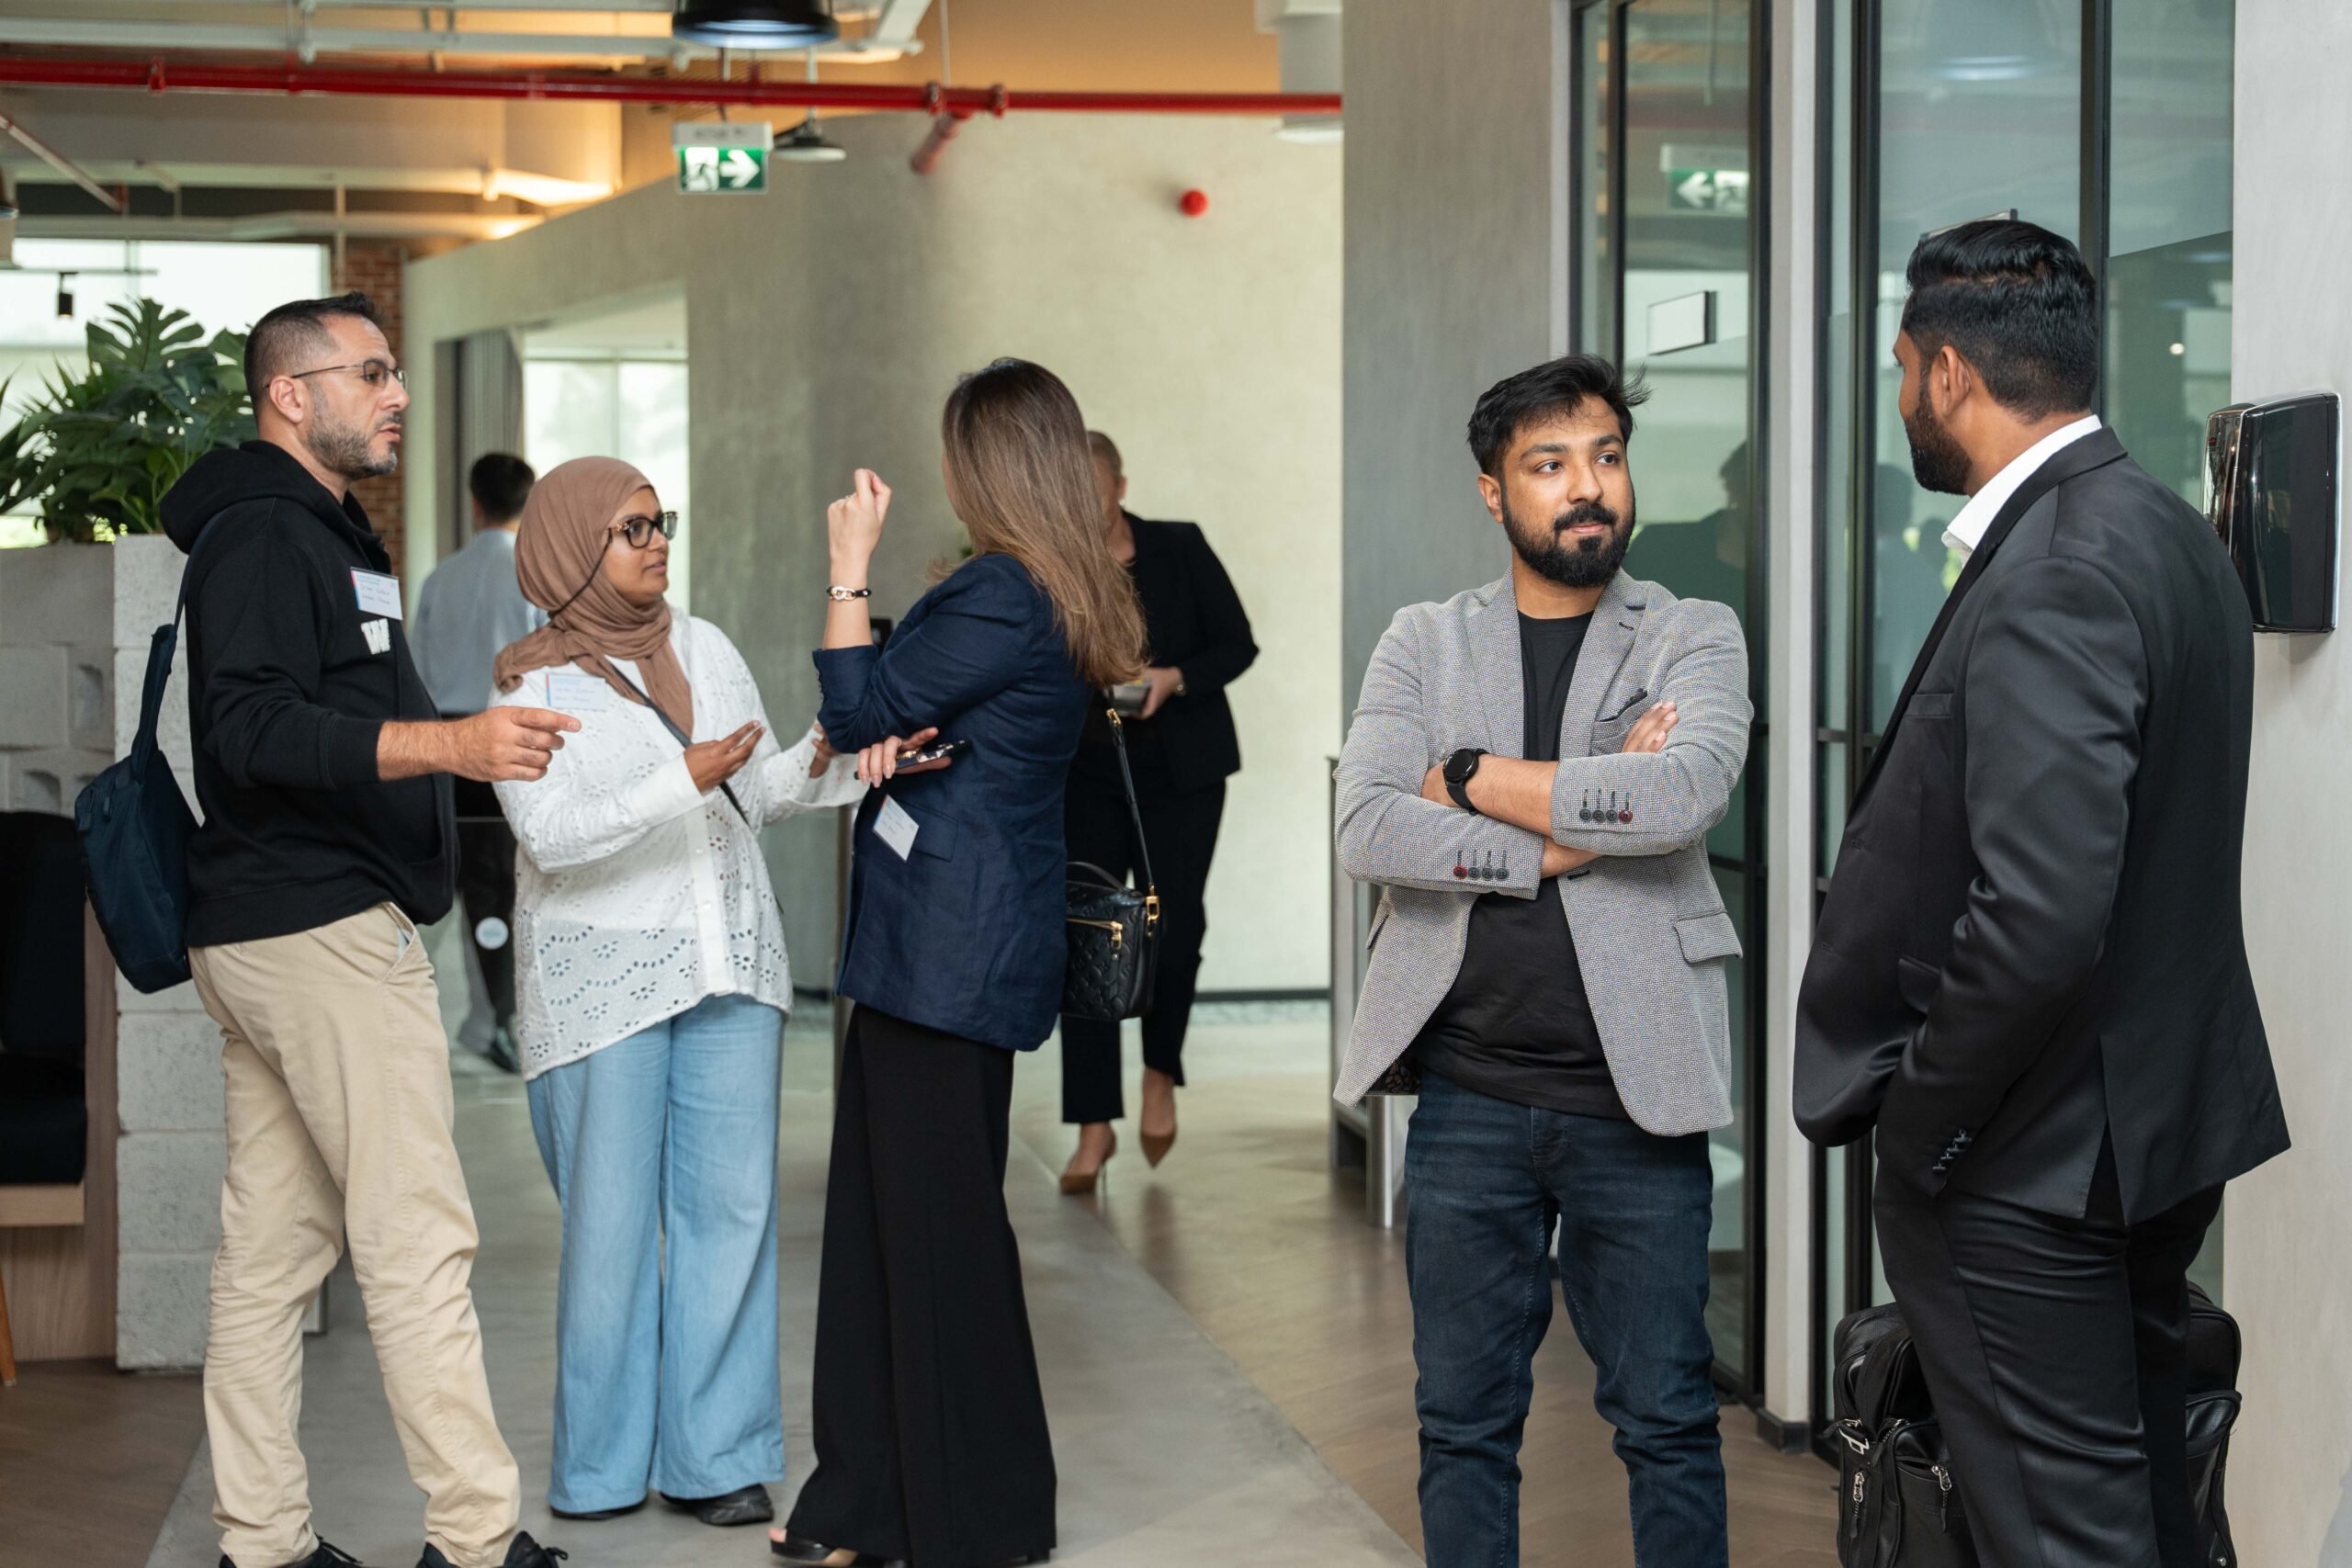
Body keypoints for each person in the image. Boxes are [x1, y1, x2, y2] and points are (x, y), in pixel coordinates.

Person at [1794, 220, 2290, 1567]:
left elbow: (2042, 909)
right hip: (2145, 1123)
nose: (1903, 396)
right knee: (2141, 1503)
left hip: (2035, 1156)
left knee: (2062, 1534)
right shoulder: (2165, 530)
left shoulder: (2059, 564)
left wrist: (1927, 1122)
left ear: (1948, 372)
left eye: (1903, 369)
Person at [162, 291, 571, 1568]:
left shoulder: (322, 532)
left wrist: (464, 738)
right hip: (317, 933)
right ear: (291, 395)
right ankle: (476, 1540)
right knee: (415, 1236)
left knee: (273, 1252)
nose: (397, 395)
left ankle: (262, 1541)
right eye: (371, 373)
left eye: (395, 372)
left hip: (283, 928)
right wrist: (451, 745)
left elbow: (324, 713)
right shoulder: (263, 537)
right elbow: (250, 730)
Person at [1331, 353, 1753, 1568]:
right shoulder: (1424, 641)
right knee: (1462, 1425)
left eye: (1606, 457)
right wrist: (1564, 837)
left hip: (1637, 1098)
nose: (1587, 487)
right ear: (1493, 490)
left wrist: (1465, 776)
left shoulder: (1692, 630)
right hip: (1467, 1097)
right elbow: (1367, 826)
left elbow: (1679, 796)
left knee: (1667, 1420)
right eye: (1551, 464)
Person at [772, 359, 1147, 1568]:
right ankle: (869, 1502)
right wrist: (900, 724)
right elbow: (894, 714)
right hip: (945, 946)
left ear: (981, 464)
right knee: (891, 1230)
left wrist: (847, 568)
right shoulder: (1034, 586)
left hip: (949, 949)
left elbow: (852, 712)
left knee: (934, 1239)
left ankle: (967, 1516)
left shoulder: (1003, 590)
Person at [487, 457, 865, 1530]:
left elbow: (758, 793)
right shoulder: (529, 685)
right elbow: (551, 837)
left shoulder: (704, 648)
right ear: (571, 544)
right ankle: (600, 1469)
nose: (656, 544)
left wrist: (832, 754)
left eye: (662, 524)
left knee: (731, 1218)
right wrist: (678, 778)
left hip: (730, 963)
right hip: (602, 978)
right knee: (609, 1235)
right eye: (632, 528)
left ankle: (719, 1459)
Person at [1057, 430, 1257, 1193]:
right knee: (1086, 936)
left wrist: (1174, 676)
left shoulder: (1179, 546)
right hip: (1088, 770)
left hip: (1182, 771)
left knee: (1174, 925)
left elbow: (1237, 644)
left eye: (1094, 487)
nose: (1084, 503)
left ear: (1120, 486)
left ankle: (1159, 1072)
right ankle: (1092, 1124)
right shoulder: (1057, 567)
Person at [411, 451, 544, 1072]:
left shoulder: (440, 579)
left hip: (442, 745)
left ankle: (459, 1018)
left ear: (474, 504)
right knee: (502, 885)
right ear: (528, 503)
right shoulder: (534, 577)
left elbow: (413, 672)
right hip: (509, 742)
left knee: (450, 881)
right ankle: (500, 1021)